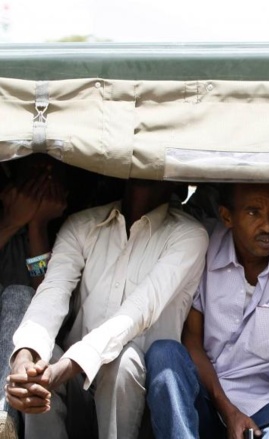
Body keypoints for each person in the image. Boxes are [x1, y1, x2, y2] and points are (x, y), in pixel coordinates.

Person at [4, 178, 208, 439]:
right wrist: (25, 357)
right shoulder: (83, 224)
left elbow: (136, 312)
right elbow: (52, 292)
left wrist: (65, 369)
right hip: (76, 390)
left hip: (138, 398)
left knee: (123, 360)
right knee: (43, 360)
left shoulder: (189, 235)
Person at [144, 183, 269, 439]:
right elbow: (192, 340)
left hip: (264, 402)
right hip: (204, 392)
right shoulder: (204, 249)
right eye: (254, 212)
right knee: (163, 354)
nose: (268, 226)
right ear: (227, 216)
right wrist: (228, 411)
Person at [0, 155, 68, 439]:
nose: (45, 176)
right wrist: (11, 221)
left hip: (26, 355)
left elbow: (45, 292)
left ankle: (4, 418)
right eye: (36, 171)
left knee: (21, 295)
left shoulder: (67, 234)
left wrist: (37, 225)